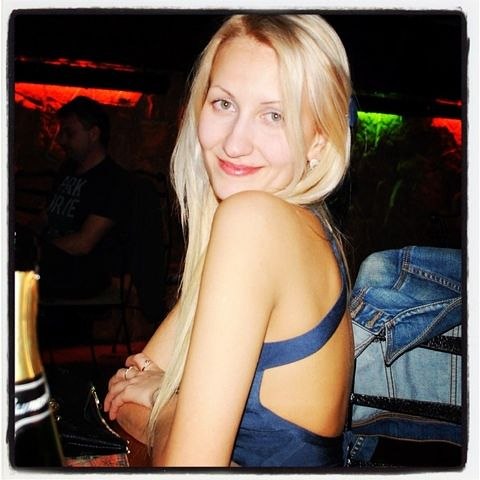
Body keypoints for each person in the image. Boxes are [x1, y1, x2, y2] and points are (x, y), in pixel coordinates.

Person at [104, 14, 354, 467]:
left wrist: (162, 402)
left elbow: (187, 463)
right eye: (223, 103)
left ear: (319, 140)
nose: (235, 143)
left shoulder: (254, 223)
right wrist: (160, 398)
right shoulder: (299, 229)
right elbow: (127, 386)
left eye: (274, 115)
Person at [36, 96, 131, 298]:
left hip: (83, 275)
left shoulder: (114, 180)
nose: (61, 140)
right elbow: (45, 217)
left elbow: (83, 243)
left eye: (69, 133)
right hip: (51, 266)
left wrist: (37, 250)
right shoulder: (67, 169)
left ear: (93, 134)